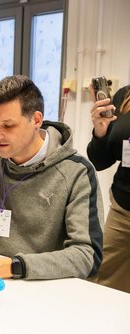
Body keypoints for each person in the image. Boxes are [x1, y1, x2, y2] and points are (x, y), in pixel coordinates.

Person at [0, 75, 104, 282]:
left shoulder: (76, 172)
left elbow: (87, 255)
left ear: (36, 120)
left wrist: (13, 266)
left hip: (45, 288)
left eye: (8, 126)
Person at [87, 85, 130, 293]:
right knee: (101, 284)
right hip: (124, 213)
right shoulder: (125, 96)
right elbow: (101, 160)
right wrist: (101, 130)